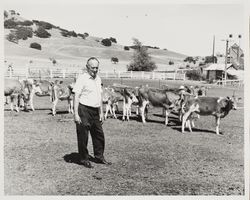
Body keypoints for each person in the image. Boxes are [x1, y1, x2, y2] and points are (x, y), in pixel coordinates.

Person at [73, 57, 111, 168]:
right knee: (83, 135)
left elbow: (99, 96)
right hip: (84, 109)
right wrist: (76, 113)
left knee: (99, 135)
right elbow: (76, 96)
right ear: (87, 67)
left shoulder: (98, 79)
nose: (95, 70)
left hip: (95, 111)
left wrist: (101, 112)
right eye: (92, 67)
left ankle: (99, 157)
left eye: (96, 68)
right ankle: (84, 158)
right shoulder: (82, 79)